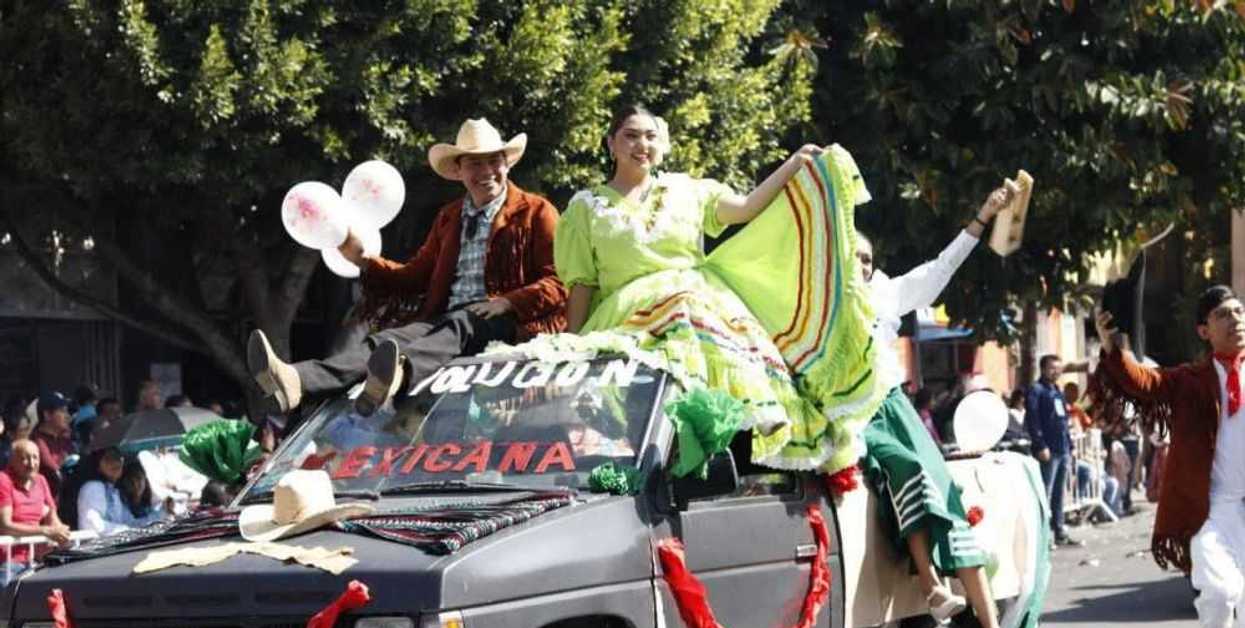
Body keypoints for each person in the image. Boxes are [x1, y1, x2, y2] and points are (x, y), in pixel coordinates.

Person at [555, 104, 878, 470]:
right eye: (630, 135)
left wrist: (793, 164)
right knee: (641, 412)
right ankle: (663, 475)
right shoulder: (585, 208)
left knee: (730, 382)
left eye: (650, 136)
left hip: (698, 307)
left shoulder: (688, 190)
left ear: (662, 145)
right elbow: (582, 284)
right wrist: (573, 346)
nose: (641, 144)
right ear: (611, 143)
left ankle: (722, 470)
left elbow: (745, 207)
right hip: (627, 319)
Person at [249, 117, 567, 416]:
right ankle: (296, 381)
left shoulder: (537, 211)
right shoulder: (449, 217)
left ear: (507, 164)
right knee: (387, 340)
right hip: (445, 324)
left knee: (461, 323)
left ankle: (398, 376)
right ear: (458, 171)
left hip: (505, 322)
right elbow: (415, 277)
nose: (486, 171)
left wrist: (508, 302)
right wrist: (363, 261)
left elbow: (559, 282)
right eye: (474, 163)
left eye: (494, 160)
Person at [856, 181, 1020, 628]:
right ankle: (930, 584)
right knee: (906, 476)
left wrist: (984, 214)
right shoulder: (820, 309)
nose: (859, 266)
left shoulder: (884, 293)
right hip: (853, 420)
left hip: (892, 407)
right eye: (850, 258)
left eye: (865, 258)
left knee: (944, 494)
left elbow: (940, 269)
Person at [1090, 286, 1245, 628]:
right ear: (1204, 330)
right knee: (1220, 595)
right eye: (1223, 315)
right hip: (1212, 511)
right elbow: (1143, 381)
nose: (1236, 320)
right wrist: (1113, 348)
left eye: (1239, 311)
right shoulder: (1189, 381)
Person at [1025, 355, 1080, 547]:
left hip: (1062, 448)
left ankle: (1060, 531)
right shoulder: (1036, 390)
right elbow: (1032, 420)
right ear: (1042, 369)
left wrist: (1070, 445)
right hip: (1048, 449)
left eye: (1058, 368)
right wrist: (1040, 445)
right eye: (1052, 368)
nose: (1056, 372)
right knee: (1045, 494)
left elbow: (1063, 419)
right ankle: (1044, 537)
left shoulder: (1057, 390)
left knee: (1060, 494)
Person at [0, 440, 71, 583]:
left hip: (36, 561)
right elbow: (5, 526)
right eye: (24, 458)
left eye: (35, 457)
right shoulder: (3, 480)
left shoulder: (41, 480)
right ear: (12, 461)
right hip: (7, 564)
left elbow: (53, 517)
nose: (31, 464)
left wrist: (61, 533)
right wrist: (45, 531)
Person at [63, 448, 168, 536]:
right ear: (98, 465)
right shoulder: (93, 487)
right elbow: (93, 526)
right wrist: (127, 530)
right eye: (108, 459)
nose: (115, 462)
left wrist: (163, 512)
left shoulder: (114, 491)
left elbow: (131, 524)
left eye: (118, 458)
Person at [31, 392, 75, 498]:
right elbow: (54, 471)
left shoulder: (64, 439)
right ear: (47, 415)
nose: (67, 416)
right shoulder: (37, 441)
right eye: (62, 411)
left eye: (67, 411)